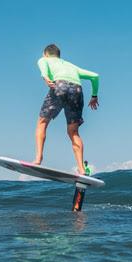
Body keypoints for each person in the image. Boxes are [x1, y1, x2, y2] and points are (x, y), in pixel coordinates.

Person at [34, 44, 100, 175]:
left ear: (46, 54)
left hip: (59, 86)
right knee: (73, 132)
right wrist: (94, 95)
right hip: (77, 90)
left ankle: (38, 159)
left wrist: (46, 78)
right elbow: (95, 76)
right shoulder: (71, 66)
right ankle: (81, 169)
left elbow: (43, 68)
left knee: (42, 123)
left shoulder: (44, 59)